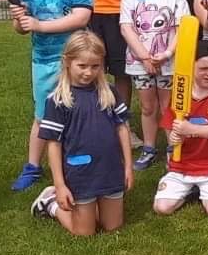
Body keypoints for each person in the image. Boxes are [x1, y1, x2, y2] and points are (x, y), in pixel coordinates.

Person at [9, 0, 93, 191]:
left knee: (79, 111)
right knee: (42, 114)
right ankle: (33, 166)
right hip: (43, 60)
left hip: (75, 61)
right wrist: (19, 20)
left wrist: (39, 25)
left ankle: (78, 160)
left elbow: (81, 17)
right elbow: (22, 29)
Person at [30, 31, 134, 235]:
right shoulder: (58, 100)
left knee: (113, 227)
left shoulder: (109, 92)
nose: (88, 73)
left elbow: (122, 128)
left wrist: (128, 167)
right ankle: (50, 203)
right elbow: (54, 144)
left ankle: (93, 206)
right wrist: (60, 185)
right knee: (84, 233)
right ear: (68, 62)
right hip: (80, 173)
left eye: (95, 66)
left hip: (110, 169)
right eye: (82, 66)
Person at [119, 0, 191, 171]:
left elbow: (183, 27)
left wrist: (167, 53)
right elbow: (126, 27)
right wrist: (145, 57)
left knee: (168, 105)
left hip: (169, 62)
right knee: (148, 106)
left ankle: (172, 145)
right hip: (140, 63)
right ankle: (149, 147)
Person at [153, 40, 208, 217]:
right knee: (161, 208)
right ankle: (190, 192)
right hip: (181, 166)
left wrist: (190, 128)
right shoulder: (179, 97)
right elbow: (172, 134)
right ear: (191, 66)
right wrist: (176, 138)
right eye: (203, 69)